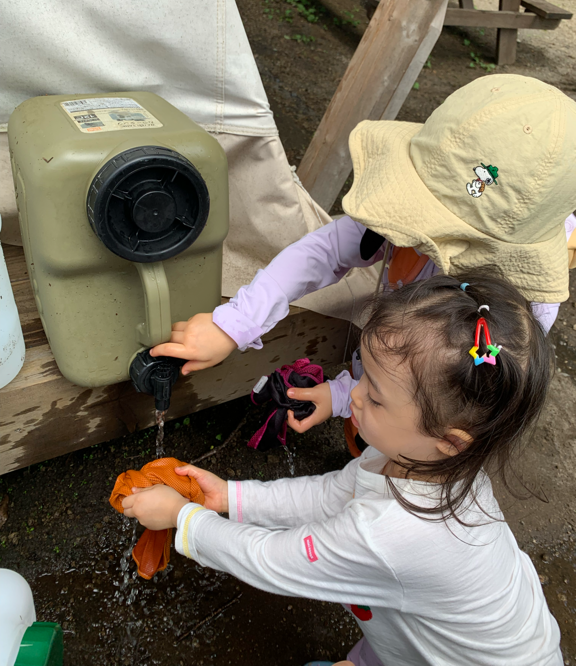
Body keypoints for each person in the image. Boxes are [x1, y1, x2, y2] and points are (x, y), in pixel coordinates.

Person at [123, 270, 562, 666]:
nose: (353, 395)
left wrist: (184, 519)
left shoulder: (391, 536)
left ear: (449, 440)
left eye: (375, 397)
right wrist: (230, 497)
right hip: (435, 638)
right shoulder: (422, 459)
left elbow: (270, 560)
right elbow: (333, 493)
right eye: (364, 377)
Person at [150, 74, 576, 437]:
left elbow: (453, 401)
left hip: (435, 428)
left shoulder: (511, 327)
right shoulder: (393, 221)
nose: (406, 238)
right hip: (396, 403)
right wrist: (237, 324)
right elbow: (323, 250)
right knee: (373, 440)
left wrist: (361, 404)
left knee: (395, 459)